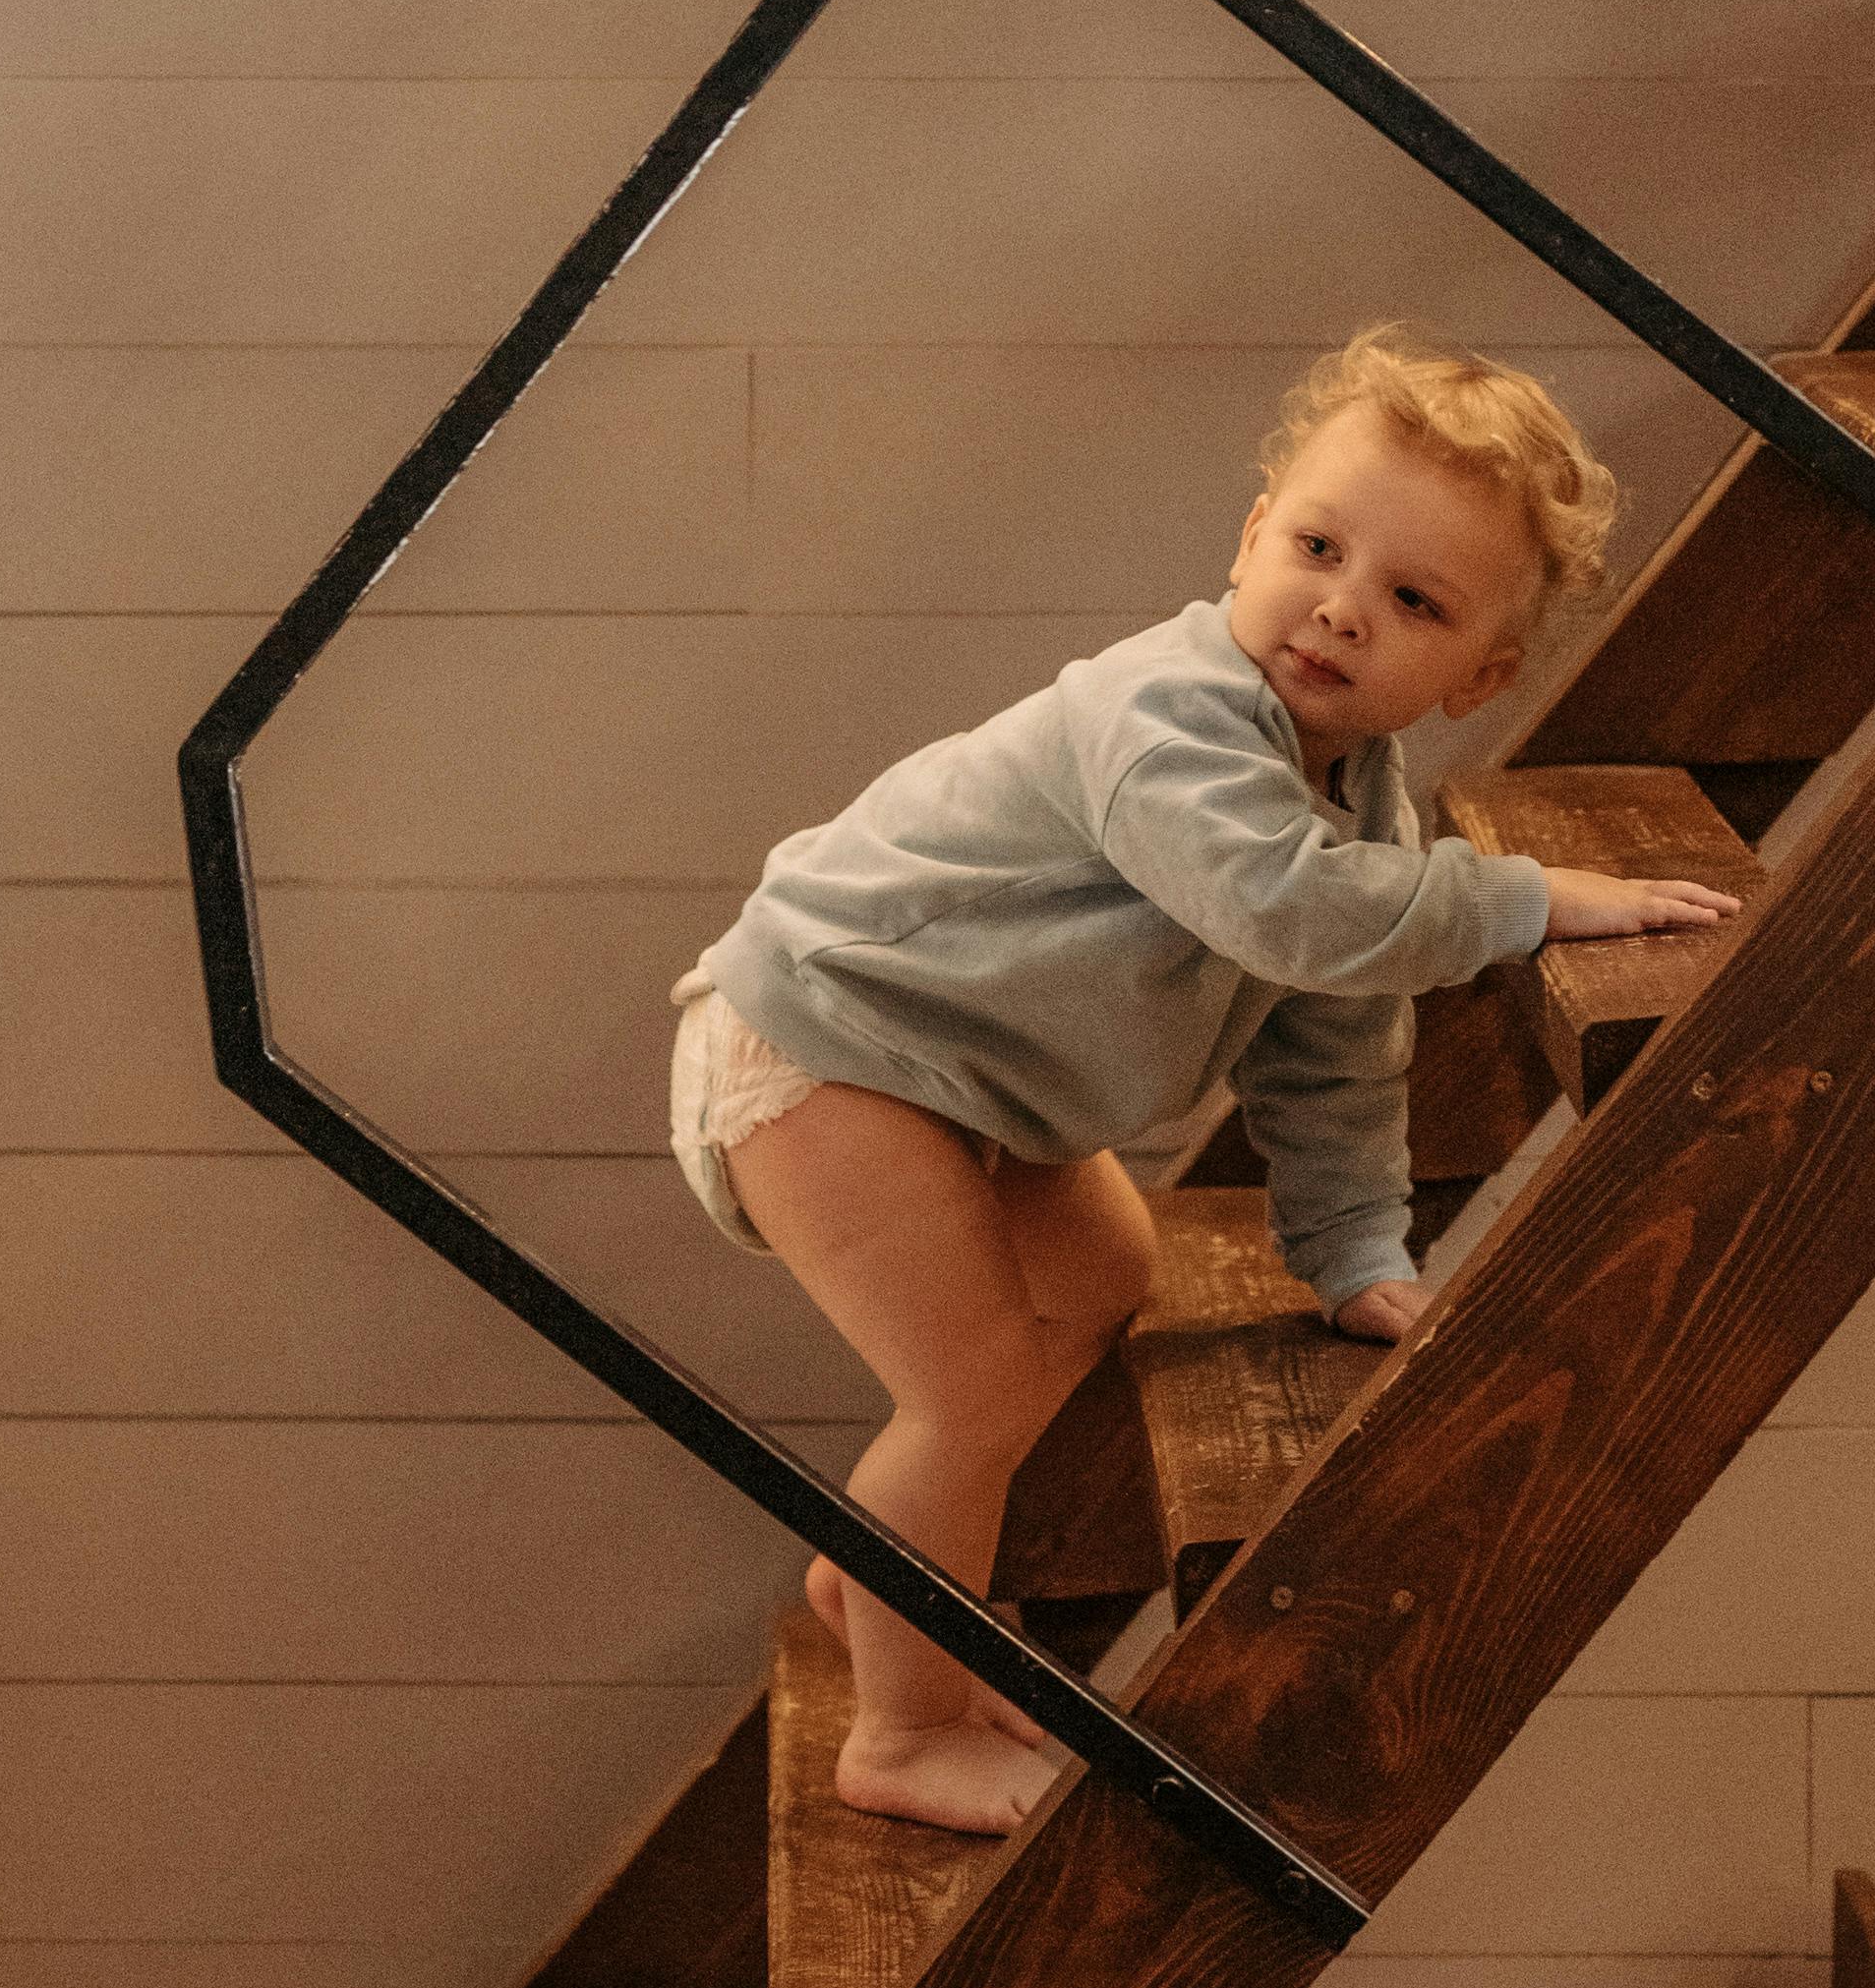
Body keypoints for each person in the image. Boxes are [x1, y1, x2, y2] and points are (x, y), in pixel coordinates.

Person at [668, 325, 1740, 1835]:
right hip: (823, 1035)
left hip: (970, 1076)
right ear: (1252, 536)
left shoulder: (1352, 788)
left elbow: (1333, 1021)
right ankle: (899, 1738)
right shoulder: (1167, 718)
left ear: (1472, 675)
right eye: (1317, 546)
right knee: (967, 1382)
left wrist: (1356, 1249)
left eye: (1412, 600)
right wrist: (1519, 900)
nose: (1340, 609)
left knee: (1109, 1269)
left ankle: (887, 1571)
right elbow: (1291, 912)